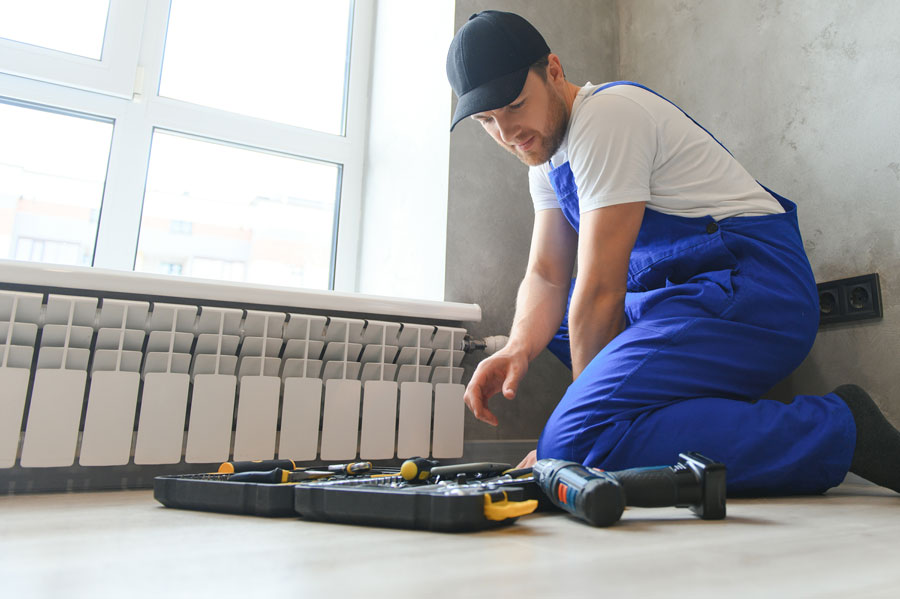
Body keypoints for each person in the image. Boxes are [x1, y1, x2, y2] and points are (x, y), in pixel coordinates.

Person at [446, 10, 900, 495]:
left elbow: (601, 289)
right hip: (687, 295)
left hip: (756, 287)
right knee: (550, 323)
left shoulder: (605, 118)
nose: (508, 133)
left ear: (554, 71)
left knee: (578, 435)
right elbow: (547, 276)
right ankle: (650, 423)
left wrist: (578, 431)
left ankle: (838, 429)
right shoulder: (545, 160)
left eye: (515, 106)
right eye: (487, 121)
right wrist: (518, 347)